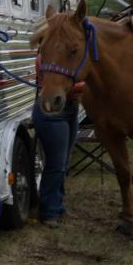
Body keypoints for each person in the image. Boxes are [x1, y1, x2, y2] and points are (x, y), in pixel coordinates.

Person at [32, 51, 83, 228]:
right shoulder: (46, 59)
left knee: (64, 163)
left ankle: (58, 205)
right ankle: (49, 212)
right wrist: (87, 85)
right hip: (52, 112)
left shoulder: (65, 58)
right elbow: (56, 85)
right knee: (56, 164)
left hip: (70, 109)